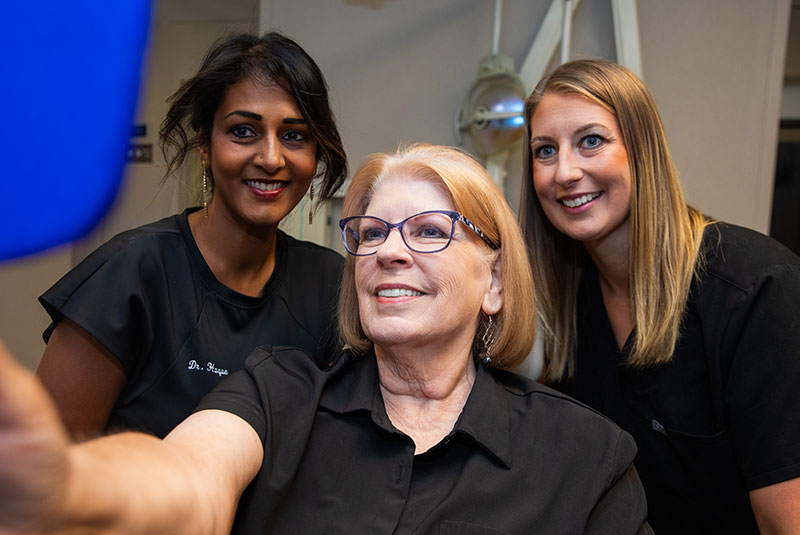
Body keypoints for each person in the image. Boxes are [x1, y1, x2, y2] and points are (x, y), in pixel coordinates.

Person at [0, 144, 653, 534]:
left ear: (496, 282)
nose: (388, 251)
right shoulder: (280, 393)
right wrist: (70, 486)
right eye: (370, 233)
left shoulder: (586, 455)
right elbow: (189, 480)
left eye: (429, 231)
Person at [520, 58, 800, 534]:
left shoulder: (756, 290)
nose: (564, 172)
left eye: (591, 141)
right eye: (545, 150)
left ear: (642, 150)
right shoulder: (567, 306)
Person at [35, 32, 348, 439]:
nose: (271, 158)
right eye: (243, 131)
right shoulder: (132, 272)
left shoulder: (330, 283)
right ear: (204, 144)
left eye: (294, 135)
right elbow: (44, 459)